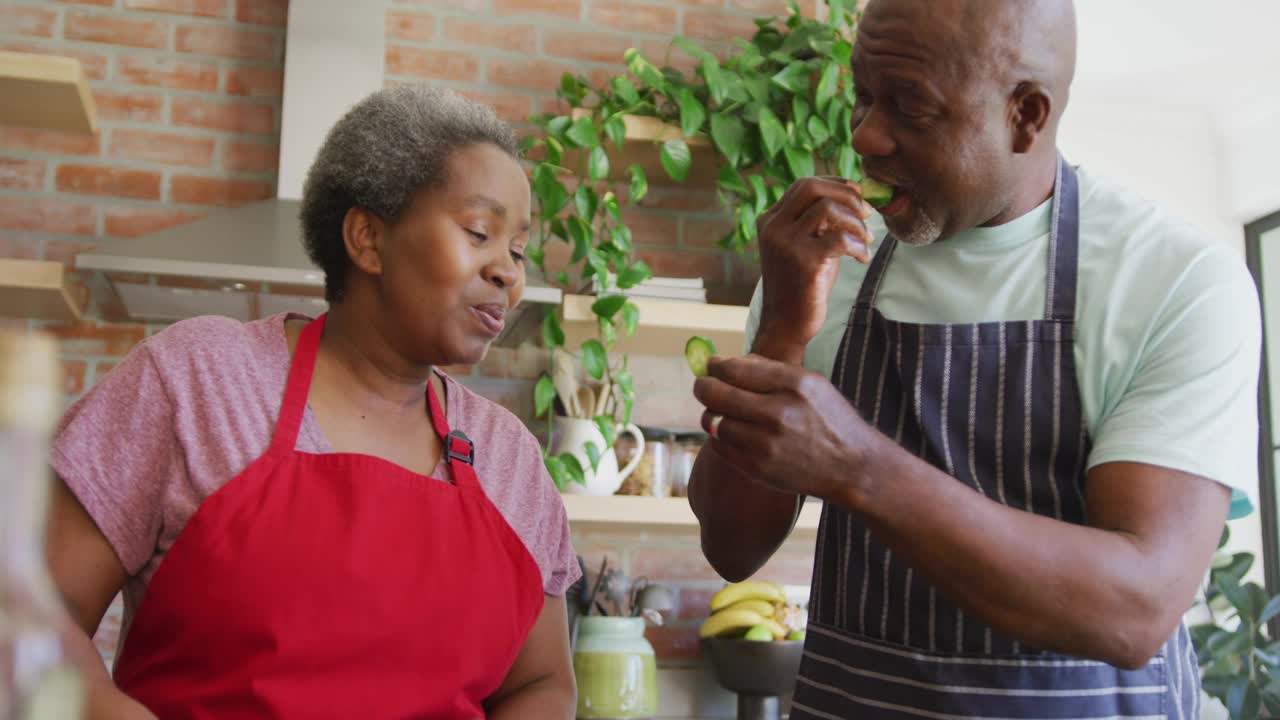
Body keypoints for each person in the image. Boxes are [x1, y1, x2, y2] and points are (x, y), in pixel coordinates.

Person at [689, 0, 1261, 717]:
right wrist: (781, 329)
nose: (865, 137)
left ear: (1026, 115)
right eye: (863, 95)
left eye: (911, 108)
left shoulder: (1172, 280)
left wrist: (860, 467)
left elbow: (1135, 609)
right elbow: (732, 547)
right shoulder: (832, 265)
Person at [45, 86, 580, 719]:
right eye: (479, 232)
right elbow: (27, 614)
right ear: (367, 238)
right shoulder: (201, 382)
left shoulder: (508, 458)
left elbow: (542, 685)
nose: (509, 273)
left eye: (517, 251)